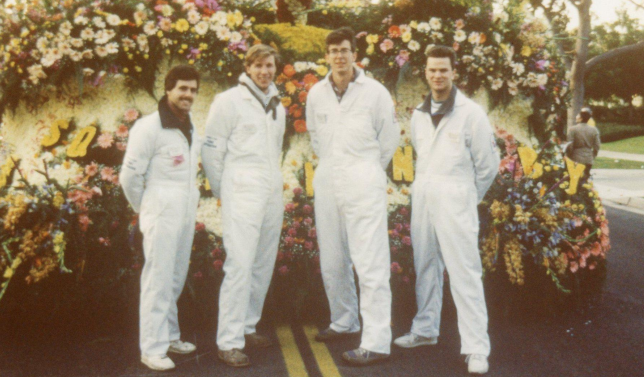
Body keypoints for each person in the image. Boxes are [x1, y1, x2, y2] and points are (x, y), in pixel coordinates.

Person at [393, 45, 499, 375]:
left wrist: (467, 195)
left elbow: (488, 166)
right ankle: (425, 330)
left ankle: (476, 348)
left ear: (454, 73)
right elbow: (421, 157)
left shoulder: (471, 113)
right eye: (432, 70)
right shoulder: (419, 115)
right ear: (425, 73)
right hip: (425, 193)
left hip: (456, 195)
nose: (438, 75)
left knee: (464, 271)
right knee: (426, 264)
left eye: (444, 70)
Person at [306, 27, 400, 366]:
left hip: (363, 176)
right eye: (333, 50)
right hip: (329, 176)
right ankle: (344, 320)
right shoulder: (316, 93)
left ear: (354, 53)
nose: (339, 56)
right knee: (332, 257)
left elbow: (388, 140)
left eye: (345, 50)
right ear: (327, 55)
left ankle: (376, 341)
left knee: (370, 261)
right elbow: (316, 136)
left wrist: (366, 171)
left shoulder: (375, 92)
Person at [201, 44, 285, 368]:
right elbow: (211, 150)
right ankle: (229, 341)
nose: (264, 71)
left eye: (269, 66)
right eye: (258, 66)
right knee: (240, 264)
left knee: (263, 262)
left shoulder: (277, 104)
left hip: (270, 189)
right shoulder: (228, 101)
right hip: (241, 189)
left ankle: (248, 326)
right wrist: (225, 191)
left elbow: (275, 149)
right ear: (247, 67)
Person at [120, 65, 201, 371]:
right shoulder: (149, 127)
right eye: (182, 88)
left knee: (176, 275)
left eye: (193, 90)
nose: (188, 95)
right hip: (160, 208)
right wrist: (146, 209)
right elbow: (129, 176)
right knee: (158, 278)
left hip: (185, 209)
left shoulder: (190, 125)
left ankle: (169, 337)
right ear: (168, 89)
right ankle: (152, 348)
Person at [567, 108, 600, 182]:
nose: (576, 117)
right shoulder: (594, 130)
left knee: (575, 180)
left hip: (576, 157)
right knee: (585, 178)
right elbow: (597, 146)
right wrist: (593, 155)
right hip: (588, 158)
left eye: (577, 116)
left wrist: (569, 156)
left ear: (580, 118)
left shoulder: (573, 129)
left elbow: (570, 145)